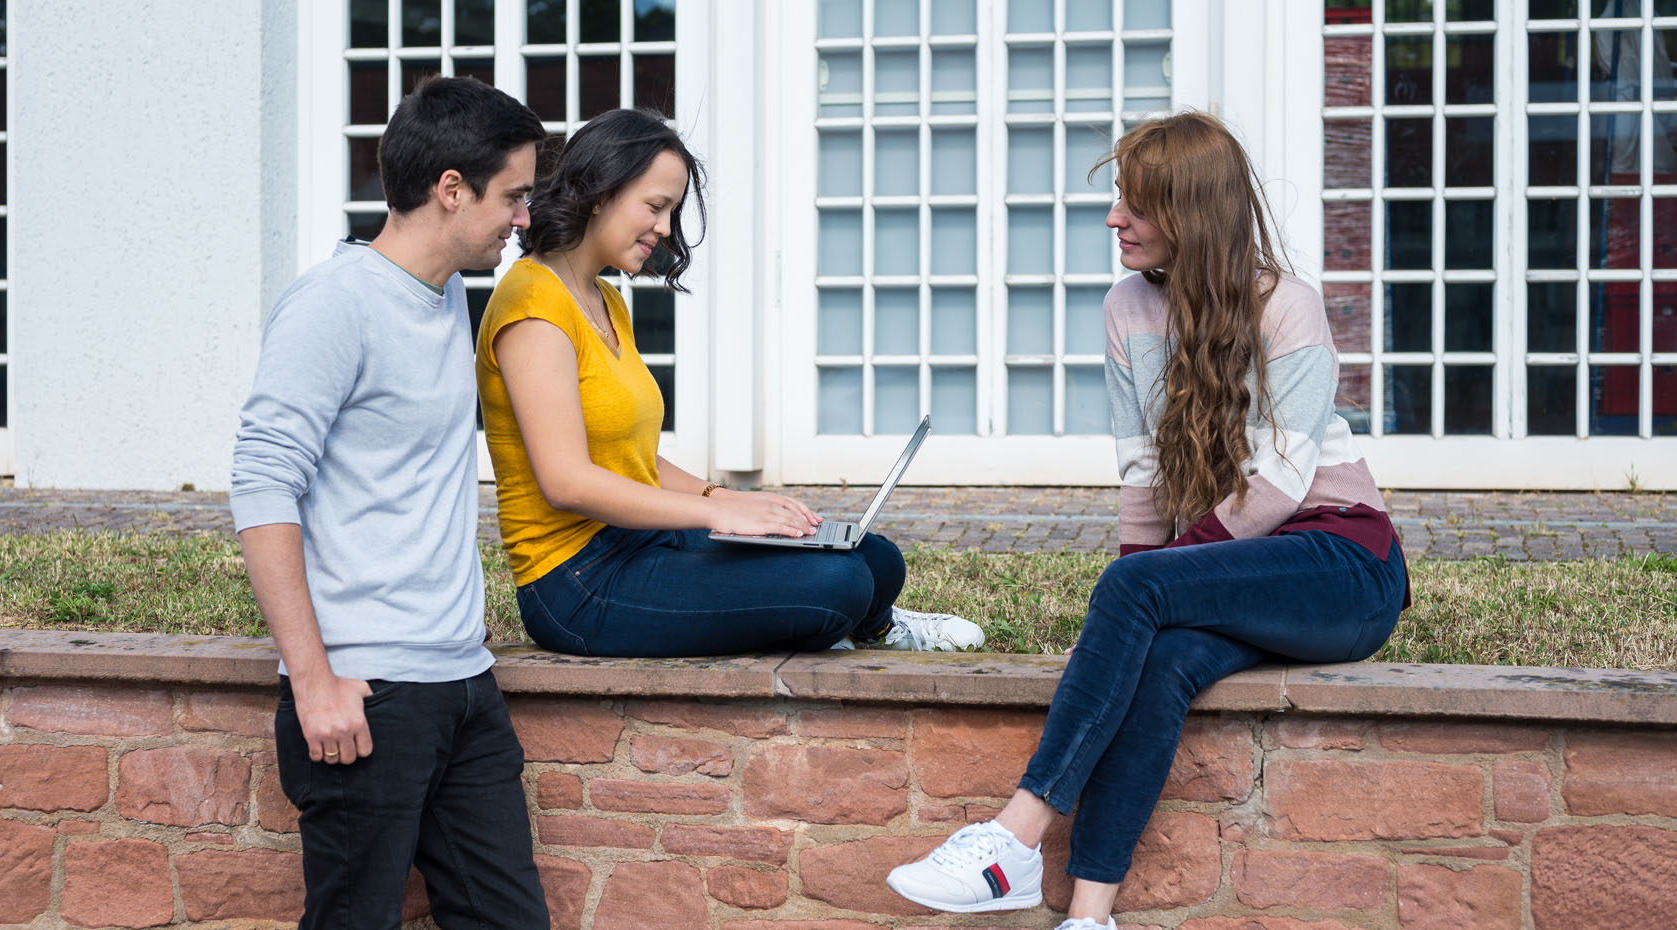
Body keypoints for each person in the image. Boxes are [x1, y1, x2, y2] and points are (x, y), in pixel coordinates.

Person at [885, 111, 1411, 928]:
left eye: (1137, 204)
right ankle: (1090, 916)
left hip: (1341, 567)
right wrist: (1133, 603)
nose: (1113, 219)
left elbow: (1277, 484)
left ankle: (1015, 838)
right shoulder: (1128, 308)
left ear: (1193, 211)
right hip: (1238, 576)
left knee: (1137, 596)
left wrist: (1143, 583)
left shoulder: (1287, 307)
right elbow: (1142, 476)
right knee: (1158, 662)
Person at [475, 108, 984, 657]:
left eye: (670, 210)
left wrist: (731, 498)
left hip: (645, 539)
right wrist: (719, 514)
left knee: (874, 555)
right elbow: (568, 482)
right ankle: (838, 618)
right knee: (841, 583)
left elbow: (632, 458)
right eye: (655, 207)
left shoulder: (606, 300)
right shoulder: (532, 308)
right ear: (600, 193)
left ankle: (863, 625)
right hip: (579, 585)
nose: (666, 229)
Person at [230, 76, 549, 930]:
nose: (523, 218)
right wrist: (314, 682)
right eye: (513, 196)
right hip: (369, 696)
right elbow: (263, 484)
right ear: (452, 189)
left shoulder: (444, 296)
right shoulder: (335, 304)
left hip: (463, 686)